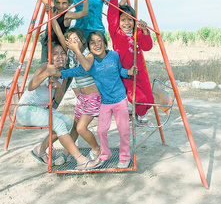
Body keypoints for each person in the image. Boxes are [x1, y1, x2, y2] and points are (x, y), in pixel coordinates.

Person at [54, 31, 136, 169]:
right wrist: (59, 74)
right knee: (101, 130)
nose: (97, 45)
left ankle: (125, 156)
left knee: (123, 130)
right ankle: (105, 154)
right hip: (105, 101)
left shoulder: (114, 55)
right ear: (89, 47)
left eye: (99, 41)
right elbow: (76, 71)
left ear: (105, 43)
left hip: (120, 99)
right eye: (93, 43)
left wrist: (128, 72)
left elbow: (119, 70)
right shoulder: (91, 64)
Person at [16, 44, 93, 170]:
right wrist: (46, 73)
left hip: (41, 109)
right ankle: (80, 159)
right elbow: (30, 87)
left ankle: (40, 149)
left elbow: (58, 99)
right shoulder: (44, 67)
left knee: (67, 122)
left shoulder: (64, 74)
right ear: (50, 57)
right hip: (26, 109)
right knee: (58, 124)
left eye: (62, 53)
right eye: (55, 53)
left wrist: (57, 86)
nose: (60, 56)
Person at [52, 25, 102, 166]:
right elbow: (60, 35)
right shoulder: (71, 53)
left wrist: (74, 49)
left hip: (93, 97)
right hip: (82, 98)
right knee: (74, 128)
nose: (73, 42)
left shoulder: (88, 53)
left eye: (76, 39)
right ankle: (66, 154)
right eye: (70, 40)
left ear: (82, 40)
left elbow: (85, 67)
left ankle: (96, 148)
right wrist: (54, 18)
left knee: (81, 128)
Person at [108, 0, 155, 125]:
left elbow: (147, 47)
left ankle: (136, 115)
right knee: (137, 98)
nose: (126, 23)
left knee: (149, 100)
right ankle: (132, 113)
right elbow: (113, 13)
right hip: (126, 73)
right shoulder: (116, 33)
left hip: (140, 72)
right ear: (118, 22)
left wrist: (146, 31)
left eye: (130, 20)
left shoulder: (138, 32)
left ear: (134, 21)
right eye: (123, 20)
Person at [39, 0, 89, 64]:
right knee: (45, 65)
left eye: (64, 3)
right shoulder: (53, 8)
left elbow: (83, 13)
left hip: (60, 46)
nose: (61, 6)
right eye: (58, 3)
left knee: (58, 68)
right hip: (47, 43)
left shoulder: (67, 15)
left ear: (69, 3)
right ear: (54, 2)